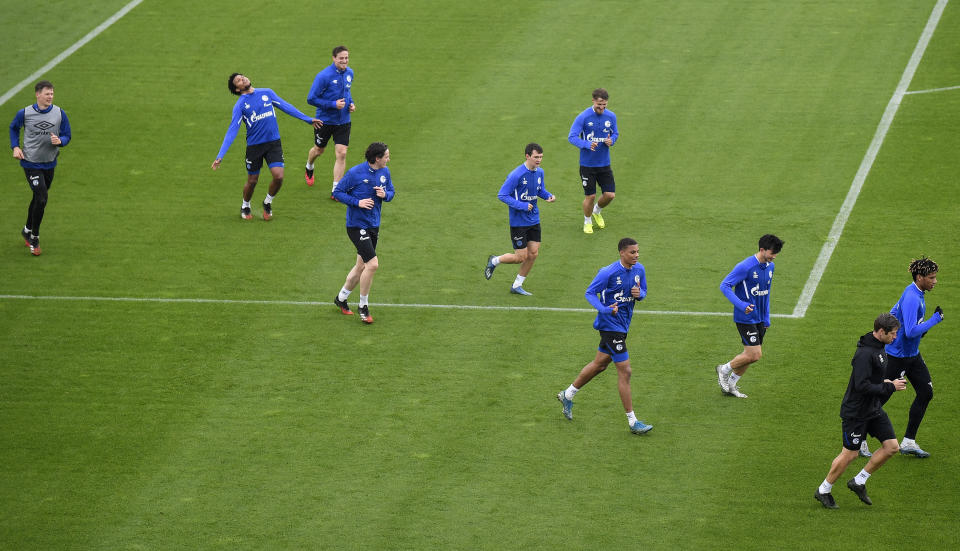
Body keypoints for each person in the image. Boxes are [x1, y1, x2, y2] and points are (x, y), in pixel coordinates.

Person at [556, 237, 653, 435]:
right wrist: (605, 310)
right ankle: (633, 421)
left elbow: (643, 291)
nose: (636, 255)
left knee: (600, 364)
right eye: (632, 252)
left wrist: (639, 294)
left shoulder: (639, 269)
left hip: (623, 325)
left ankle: (568, 394)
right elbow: (590, 293)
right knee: (625, 372)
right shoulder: (607, 272)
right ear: (622, 253)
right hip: (610, 326)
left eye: (637, 252)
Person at [814, 313, 907, 509]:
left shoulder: (880, 347)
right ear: (881, 332)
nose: (895, 337)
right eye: (893, 334)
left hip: (872, 408)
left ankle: (859, 481)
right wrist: (890, 387)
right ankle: (823, 490)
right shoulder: (864, 355)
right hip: (856, 413)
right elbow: (861, 386)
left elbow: (872, 381)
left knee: (892, 447)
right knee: (850, 454)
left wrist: (886, 382)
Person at [212, 73, 322, 220]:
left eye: (242, 76)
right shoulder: (240, 105)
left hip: (273, 143)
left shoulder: (267, 93)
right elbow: (232, 130)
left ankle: (267, 202)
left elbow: (285, 106)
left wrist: (307, 119)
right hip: (254, 147)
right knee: (252, 181)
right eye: (238, 80)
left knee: (279, 177)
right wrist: (220, 155)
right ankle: (245, 205)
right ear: (237, 89)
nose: (243, 78)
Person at [877, 256, 944, 458]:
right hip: (898, 356)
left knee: (925, 392)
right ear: (919, 277)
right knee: (879, 399)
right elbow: (910, 332)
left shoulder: (917, 292)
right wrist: (935, 320)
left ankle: (909, 441)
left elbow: (899, 317)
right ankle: (859, 439)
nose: (935, 281)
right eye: (931, 277)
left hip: (912, 354)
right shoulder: (912, 297)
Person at [714, 234, 784, 398]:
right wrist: (742, 305)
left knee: (750, 357)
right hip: (745, 318)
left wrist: (767, 317)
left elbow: (766, 294)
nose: (774, 257)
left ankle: (731, 385)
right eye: (772, 253)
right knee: (755, 354)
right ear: (762, 250)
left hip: (760, 318)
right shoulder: (745, 267)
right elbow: (724, 286)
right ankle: (723, 370)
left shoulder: (770, 267)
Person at [332, 142, 394, 324]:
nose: (389, 159)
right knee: (372, 265)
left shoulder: (385, 172)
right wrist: (357, 202)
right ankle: (363, 306)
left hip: (373, 224)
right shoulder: (355, 173)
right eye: (386, 156)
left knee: (360, 267)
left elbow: (391, 191)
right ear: (377, 158)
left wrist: (385, 195)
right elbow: (338, 192)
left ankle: (341, 298)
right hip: (356, 225)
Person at [9, 80, 72, 256]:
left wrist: (61, 141)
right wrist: (15, 147)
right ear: (37, 94)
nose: (50, 96)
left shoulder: (59, 113)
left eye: (52, 93)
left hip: (50, 162)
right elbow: (13, 128)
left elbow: (67, 135)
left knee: (39, 197)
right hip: (30, 162)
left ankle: (27, 229)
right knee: (42, 197)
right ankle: (34, 238)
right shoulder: (25, 113)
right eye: (47, 93)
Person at [483, 143, 555, 295]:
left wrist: (548, 196)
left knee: (533, 253)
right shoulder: (516, 175)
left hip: (534, 219)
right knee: (520, 257)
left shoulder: (540, 172)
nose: (539, 160)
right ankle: (495, 260)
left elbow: (539, 190)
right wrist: (522, 206)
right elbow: (502, 195)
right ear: (527, 156)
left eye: (541, 157)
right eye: (536, 157)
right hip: (518, 222)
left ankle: (517, 286)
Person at [305, 45, 355, 197]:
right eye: (341, 58)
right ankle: (309, 165)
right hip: (325, 121)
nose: (344, 61)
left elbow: (347, 91)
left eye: (346, 58)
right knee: (319, 150)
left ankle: (336, 190)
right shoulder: (323, 76)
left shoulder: (350, 73)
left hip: (344, 121)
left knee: (342, 153)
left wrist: (351, 103)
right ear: (334, 58)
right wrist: (333, 105)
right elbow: (311, 99)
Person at [568, 88, 618, 235]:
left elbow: (615, 132)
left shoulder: (611, 116)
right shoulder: (583, 117)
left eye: (604, 105)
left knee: (610, 195)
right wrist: (586, 144)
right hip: (587, 165)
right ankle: (587, 221)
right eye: (599, 105)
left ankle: (597, 211)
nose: (601, 108)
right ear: (593, 101)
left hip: (604, 164)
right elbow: (572, 137)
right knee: (590, 196)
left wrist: (612, 140)